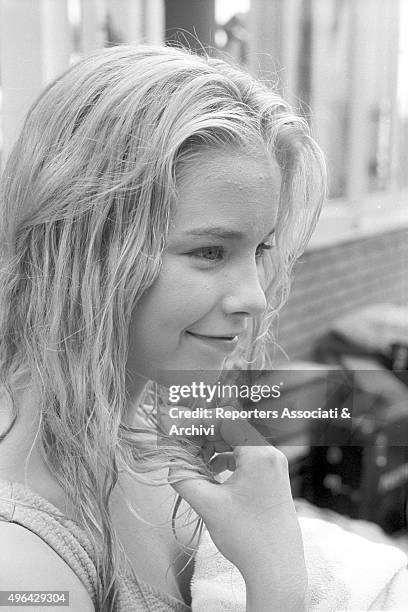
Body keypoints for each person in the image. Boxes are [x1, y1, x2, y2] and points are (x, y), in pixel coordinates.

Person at [0, 44, 326, 611]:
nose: (253, 296)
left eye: (262, 248)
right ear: (86, 245)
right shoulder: (23, 562)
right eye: (208, 250)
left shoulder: (160, 429)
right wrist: (277, 580)